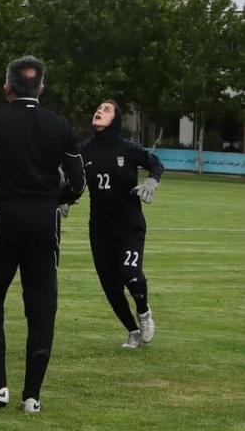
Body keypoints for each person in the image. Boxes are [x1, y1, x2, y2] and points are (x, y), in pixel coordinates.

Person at [0, 56, 85, 413]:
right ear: (41, 88)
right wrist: (55, 200)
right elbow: (78, 184)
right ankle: (32, 395)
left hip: (4, 217)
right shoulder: (60, 126)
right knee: (42, 303)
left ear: (7, 88)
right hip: (46, 219)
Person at [77, 100, 164, 349]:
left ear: (115, 118)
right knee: (110, 285)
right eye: (98, 108)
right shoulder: (84, 151)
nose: (99, 111)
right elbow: (74, 180)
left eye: (106, 109)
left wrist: (152, 182)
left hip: (129, 225)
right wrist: (64, 201)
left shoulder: (128, 148)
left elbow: (156, 163)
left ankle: (144, 312)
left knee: (129, 273)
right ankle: (132, 331)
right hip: (100, 229)